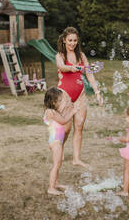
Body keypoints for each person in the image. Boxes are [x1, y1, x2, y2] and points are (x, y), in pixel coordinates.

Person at [55, 27, 103, 168]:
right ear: (64, 40)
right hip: (65, 96)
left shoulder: (81, 56)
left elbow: (89, 74)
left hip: (80, 96)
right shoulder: (60, 55)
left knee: (79, 127)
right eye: (70, 40)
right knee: (66, 129)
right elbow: (61, 66)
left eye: (75, 40)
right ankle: (60, 148)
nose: (72, 43)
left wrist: (97, 91)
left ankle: (76, 158)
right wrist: (72, 68)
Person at [43, 87, 79, 195]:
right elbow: (63, 121)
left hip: (57, 140)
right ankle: (51, 188)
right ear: (53, 101)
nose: (60, 102)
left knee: (59, 163)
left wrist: (68, 107)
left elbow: (62, 116)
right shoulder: (50, 112)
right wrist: (72, 112)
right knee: (56, 165)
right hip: (55, 142)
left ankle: (56, 183)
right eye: (59, 101)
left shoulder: (53, 111)